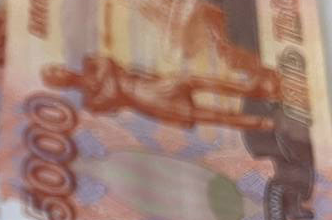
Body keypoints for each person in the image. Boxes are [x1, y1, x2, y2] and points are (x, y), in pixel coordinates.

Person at [41, 55, 278, 132]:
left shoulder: (89, 63)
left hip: (147, 84)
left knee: (191, 80)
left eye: (56, 67)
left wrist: (109, 80)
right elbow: (113, 93)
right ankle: (258, 123)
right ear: (60, 84)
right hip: (145, 101)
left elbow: (108, 64)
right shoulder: (90, 102)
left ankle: (249, 89)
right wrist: (110, 79)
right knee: (203, 114)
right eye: (55, 74)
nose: (60, 70)